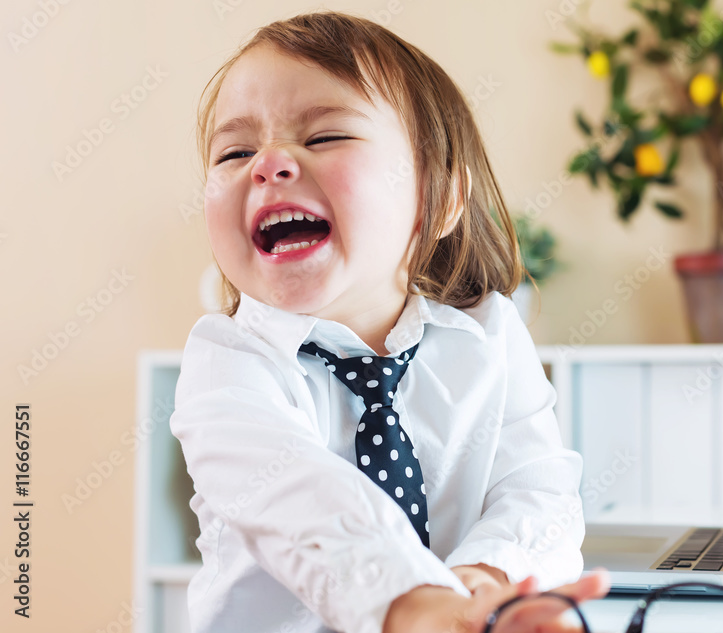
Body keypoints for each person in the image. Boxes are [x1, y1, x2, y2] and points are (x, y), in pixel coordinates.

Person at [168, 10, 609, 633]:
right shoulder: (227, 362)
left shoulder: (491, 336)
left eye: (324, 137)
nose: (267, 164)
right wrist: (420, 605)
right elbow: (302, 501)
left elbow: (537, 487)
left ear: (438, 199)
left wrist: (483, 583)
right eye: (235, 152)